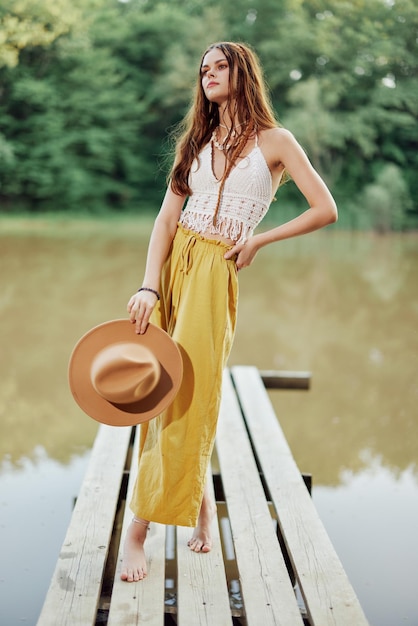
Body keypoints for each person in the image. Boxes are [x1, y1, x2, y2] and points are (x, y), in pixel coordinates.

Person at [120, 41, 338, 583]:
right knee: (160, 385)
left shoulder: (276, 142)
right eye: (203, 70)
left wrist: (261, 240)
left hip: (216, 271)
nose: (209, 76)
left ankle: (136, 530)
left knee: (192, 391)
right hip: (175, 264)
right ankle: (187, 516)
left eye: (219, 67)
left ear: (242, 73)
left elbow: (325, 209)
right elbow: (166, 221)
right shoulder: (195, 141)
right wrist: (148, 286)